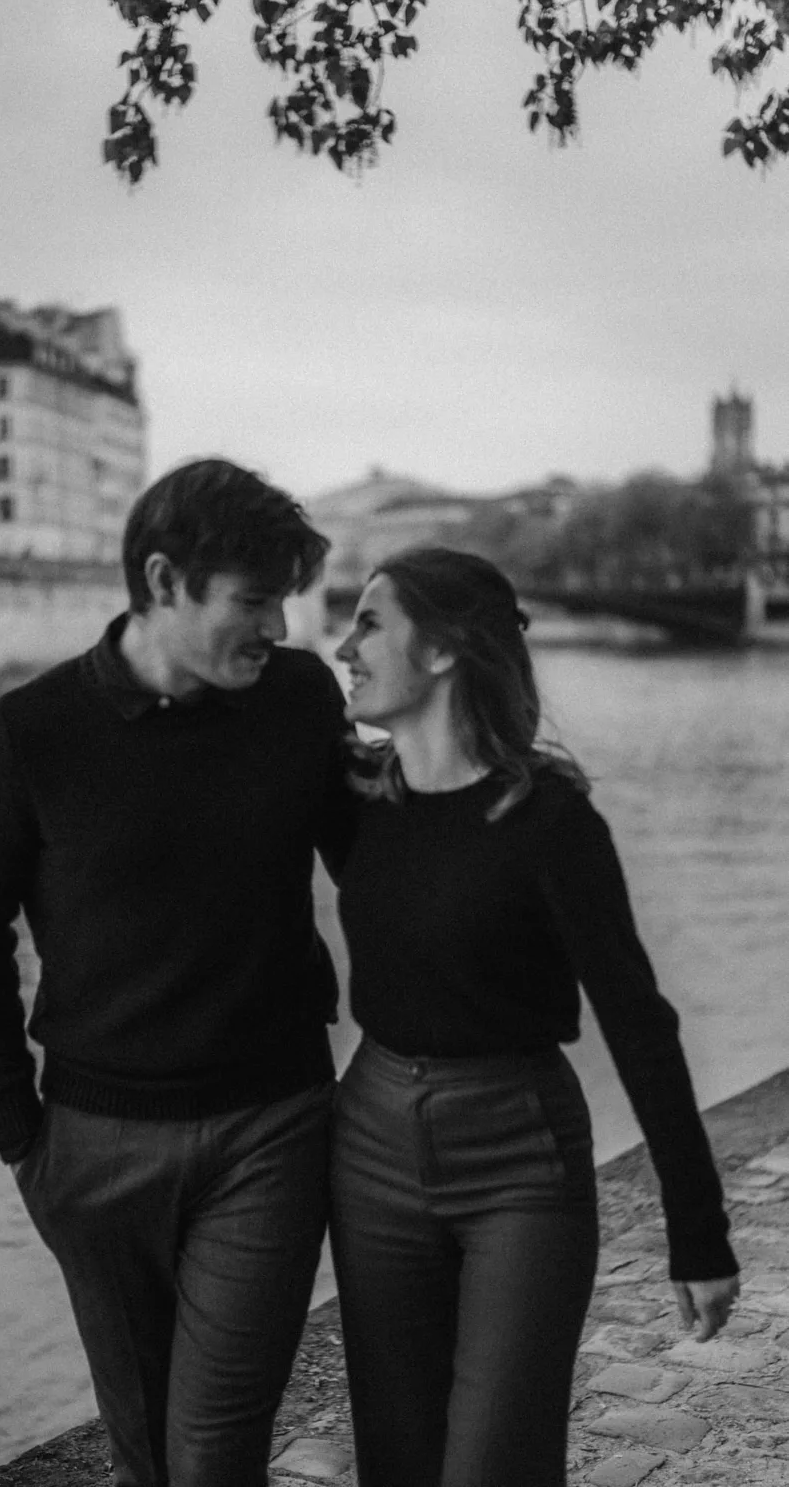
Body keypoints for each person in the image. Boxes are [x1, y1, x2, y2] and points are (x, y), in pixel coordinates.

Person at [0, 458, 355, 1487]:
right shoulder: (27, 735)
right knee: (142, 1454)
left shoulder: (298, 698)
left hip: (271, 1127)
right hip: (92, 1147)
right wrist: (18, 1138)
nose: (280, 630)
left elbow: (378, 872)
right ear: (164, 583)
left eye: (282, 602)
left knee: (212, 1454)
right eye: (254, 602)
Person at [329, 545, 740, 1487]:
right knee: (398, 1462)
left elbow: (639, 1022)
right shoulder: (354, 799)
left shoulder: (550, 819)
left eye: (368, 622)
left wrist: (699, 1228)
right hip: (371, 1155)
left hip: (518, 1162)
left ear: (438, 651)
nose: (345, 645)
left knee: (496, 1468)